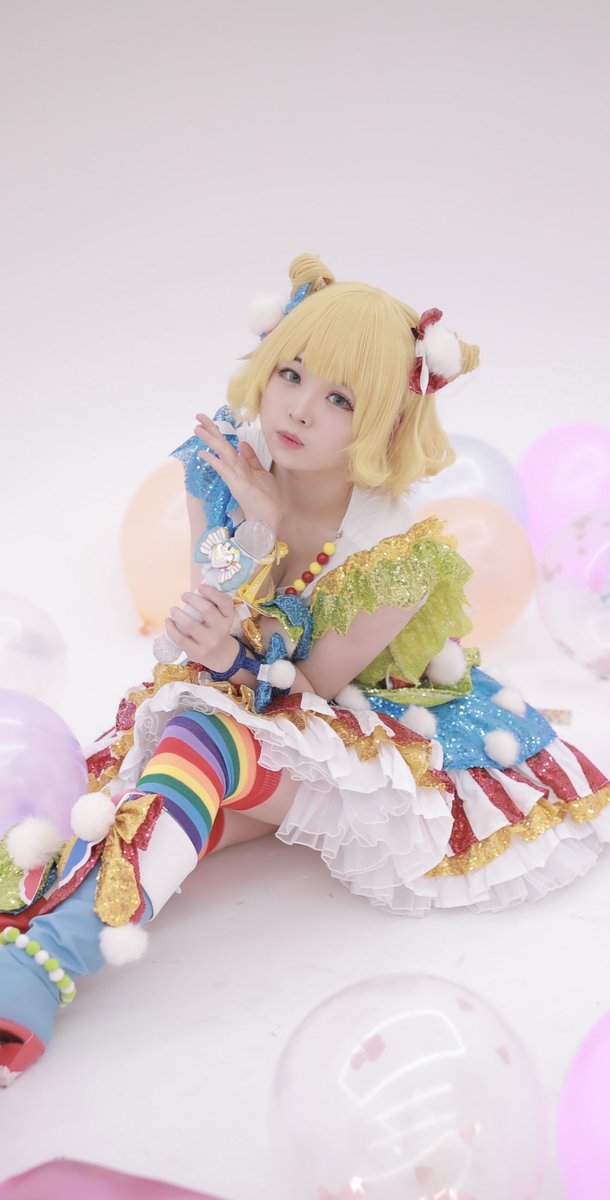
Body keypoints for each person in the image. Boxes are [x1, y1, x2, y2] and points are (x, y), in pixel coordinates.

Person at [1, 253, 608, 1085]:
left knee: (199, 743)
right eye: (291, 373)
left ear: (384, 422)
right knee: (146, 794)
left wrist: (250, 586)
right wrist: (253, 534)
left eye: (340, 399)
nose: (298, 408)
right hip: (241, 711)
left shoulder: (397, 553)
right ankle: (28, 942)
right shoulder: (225, 462)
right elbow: (207, 626)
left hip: (365, 733)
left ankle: (43, 966)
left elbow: (303, 698)